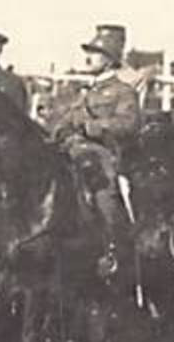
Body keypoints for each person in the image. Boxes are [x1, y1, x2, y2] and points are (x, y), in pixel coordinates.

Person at [47, 24, 141, 247]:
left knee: (102, 184)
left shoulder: (123, 91)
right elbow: (64, 119)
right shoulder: (84, 90)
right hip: (72, 150)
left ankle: (113, 243)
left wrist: (97, 127)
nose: (88, 58)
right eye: (88, 52)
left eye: (95, 53)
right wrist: (59, 130)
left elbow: (130, 124)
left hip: (103, 154)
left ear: (109, 59)